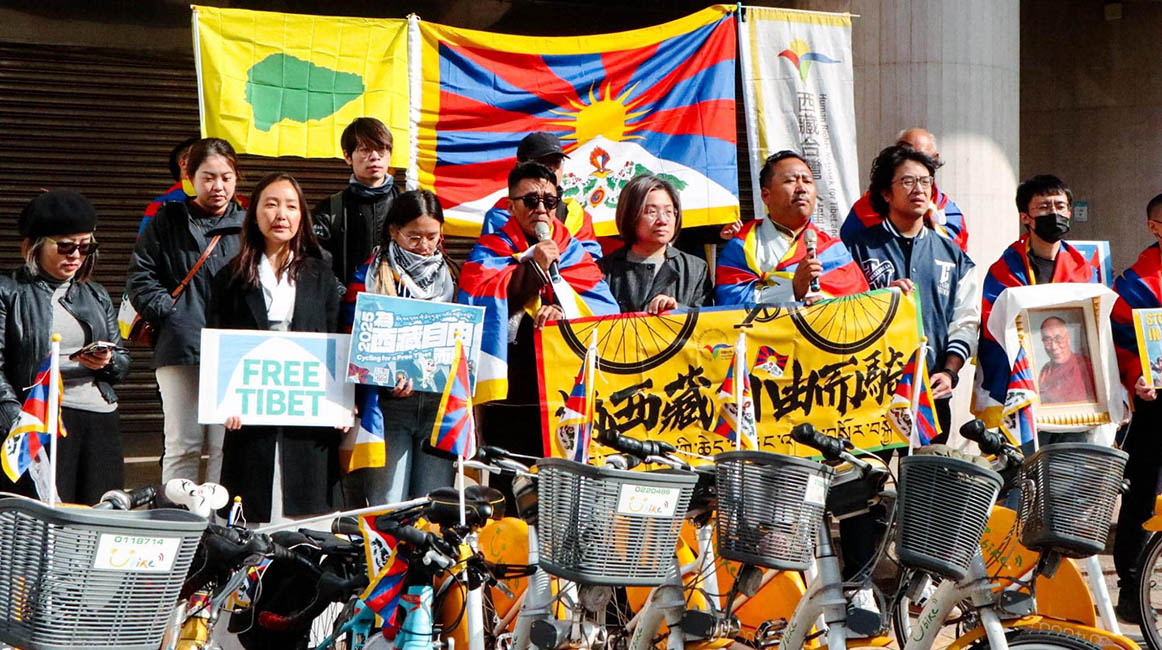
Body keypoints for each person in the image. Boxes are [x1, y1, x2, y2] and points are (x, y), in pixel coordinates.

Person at [207, 173, 344, 524]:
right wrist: (225, 399)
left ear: (302, 217)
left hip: (307, 410)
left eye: (291, 206)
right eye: (271, 204)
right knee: (251, 509)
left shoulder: (321, 275)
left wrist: (342, 403)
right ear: (254, 214)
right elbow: (219, 341)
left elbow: (333, 341)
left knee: (307, 518)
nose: (281, 214)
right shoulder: (231, 277)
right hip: (250, 411)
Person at [458, 162, 617, 462]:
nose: (541, 209)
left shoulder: (571, 250)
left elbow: (603, 308)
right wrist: (533, 269)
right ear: (510, 206)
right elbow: (478, 302)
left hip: (565, 391)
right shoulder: (491, 247)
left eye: (549, 202)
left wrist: (563, 311)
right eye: (530, 201)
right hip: (511, 392)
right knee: (511, 483)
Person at [127, 137, 244, 485]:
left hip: (234, 352)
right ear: (189, 178)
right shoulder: (167, 220)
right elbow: (140, 275)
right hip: (180, 348)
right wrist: (171, 313)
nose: (218, 186)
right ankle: (179, 526)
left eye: (226, 176)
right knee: (183, 444)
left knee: (227, 444)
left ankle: (221, 530)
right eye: (208, 177)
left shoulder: (250, 225)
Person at [0, 190, 130, 503]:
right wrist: (16, 418)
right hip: (40, 419)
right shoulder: (9, 291)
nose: (75, 256)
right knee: (40, 520)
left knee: (100, 515)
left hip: (99, 418)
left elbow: (123, 360)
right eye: (65, 246)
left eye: (86, 247)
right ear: (33, 246)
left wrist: (108, 360)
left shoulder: (95, 294)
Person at [846, 144, 980, 435]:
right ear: (885, 193)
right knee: (869, 476)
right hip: (868, 391)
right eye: (907, 181)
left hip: (931, 392)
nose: (918, 189)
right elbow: (840, 312)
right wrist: (881, 301)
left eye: (925, 181)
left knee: (926, 477)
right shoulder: (856, 249)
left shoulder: (953, 255)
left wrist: (949, 372)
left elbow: (966, 321)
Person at [341, 189, 458, 505]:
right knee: (388, 508)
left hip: (439, 408)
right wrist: (384, 379)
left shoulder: (453, 277)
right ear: (394, 231)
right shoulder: (368, 275)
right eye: (414, 237)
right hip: (390, 409)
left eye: (432, 236)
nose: (424, 246)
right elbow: (355, 343)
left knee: (433, 510)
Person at [715, 150, 868, 306]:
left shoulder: (834, 250)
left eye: (807, 181)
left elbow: (860, 306)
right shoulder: (741, 245)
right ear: (766, 195)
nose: (801, 188)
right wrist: (792, 289)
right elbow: (730, 304)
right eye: (790, 181)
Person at [1111, 192, 1162, 623]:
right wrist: (1135, 378)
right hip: (1154, 408)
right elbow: (1122, 347)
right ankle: (1131, 586)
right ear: (1154, 227)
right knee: (1143, 498)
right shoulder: (1135, 284)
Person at [840, 128, 969, 252]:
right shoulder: (869, 205)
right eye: (906, 154)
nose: (913, 163)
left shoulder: (950, 214)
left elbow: (959, 262)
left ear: (935, 160)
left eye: (921, 159)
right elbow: (848, 254)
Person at [598, 174, 710, 313]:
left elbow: (707, 325)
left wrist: (676, 311)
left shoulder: (695, 269)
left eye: (669, 211)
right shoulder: (603, 271)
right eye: (651, 212)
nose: (662, 220)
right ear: (630, 215)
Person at [481, 132, 603, 259]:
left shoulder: (578, 216)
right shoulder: (501, 212)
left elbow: (591, 264)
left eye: (556, 162)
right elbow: (491, 264)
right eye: (542, 162)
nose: (551, 169)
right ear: (519, 166)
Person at [312, 117, 400, 286]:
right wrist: (345, 299)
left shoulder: (407, 207)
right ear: (347, 156)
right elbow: (316, 266)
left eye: (381, 149)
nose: (374, 157)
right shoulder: (328, 211)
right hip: (345, 308)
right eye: (365, 149)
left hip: (398, 308)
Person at [1036, 317, 1096, 403]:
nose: (1054, 347)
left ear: (1068, 339)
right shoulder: (1045, 370)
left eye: (1058, 339)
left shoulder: (1085, 367)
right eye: (1047, 340)